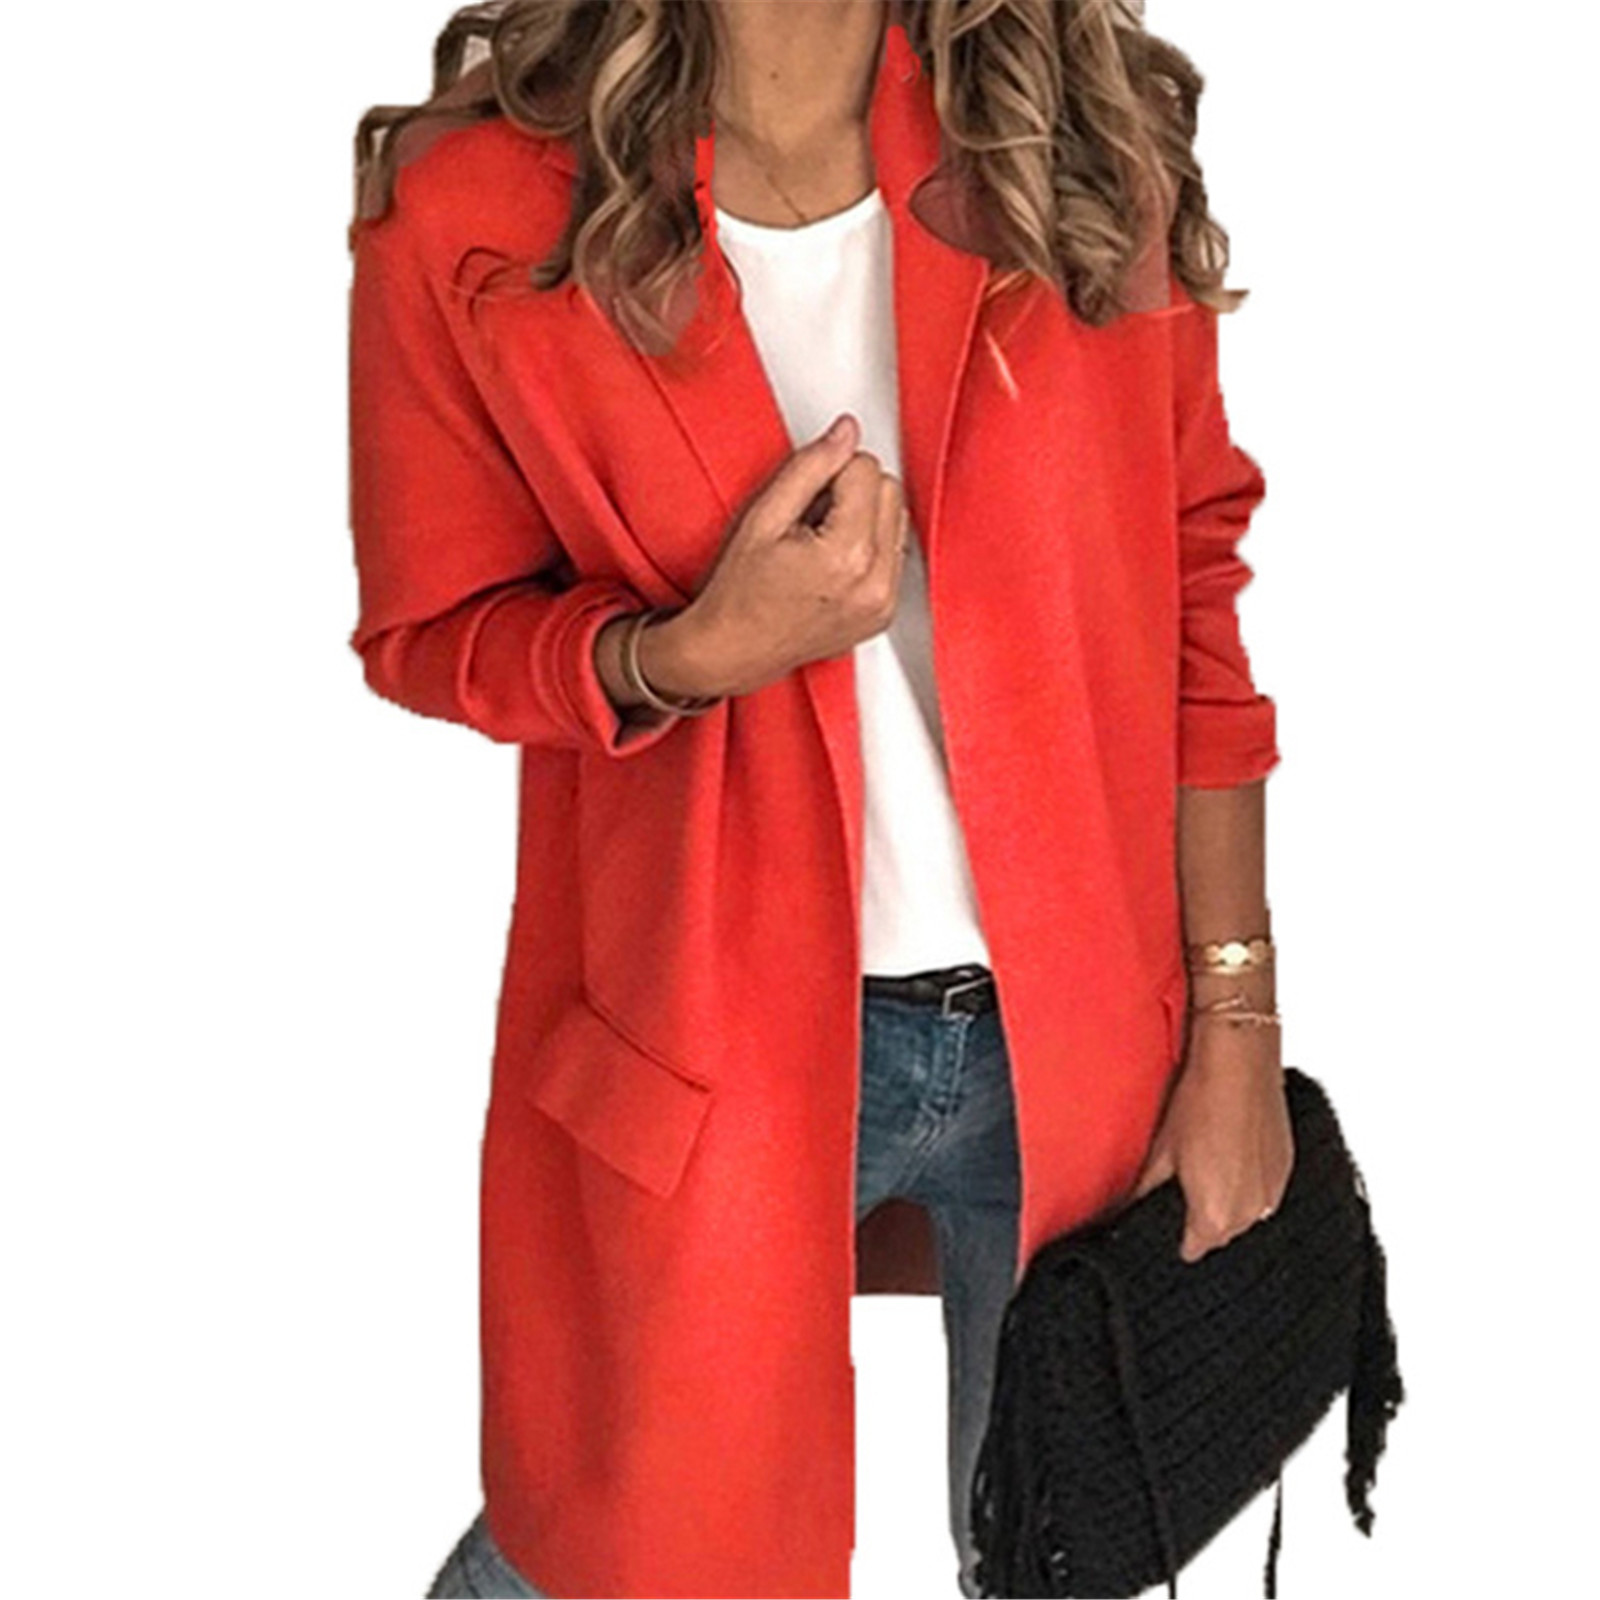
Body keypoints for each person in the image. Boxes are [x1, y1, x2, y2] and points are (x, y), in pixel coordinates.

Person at [345, 2, 1292, 1596]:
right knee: (625, 1554)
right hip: (699, 1047)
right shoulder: (479, 208)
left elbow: (1191, 596)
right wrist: (683, 653)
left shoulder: (1076, 145)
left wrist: (1237, 1025)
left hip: (1080, 1053)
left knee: (1070, 1557)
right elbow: (430, 631)